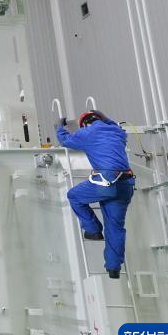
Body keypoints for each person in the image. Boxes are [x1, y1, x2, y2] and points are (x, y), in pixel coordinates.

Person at [56, 110, 135, 279]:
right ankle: (114, 269)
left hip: (106, 181)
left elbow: (65, 141)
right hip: (126, 184)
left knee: (74, 196)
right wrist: (105, 117)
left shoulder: (87, 132)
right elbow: (113, 125)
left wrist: (59, 128)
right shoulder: (117, 132)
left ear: (84, 124)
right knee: (115, 227)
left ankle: (93, 230)